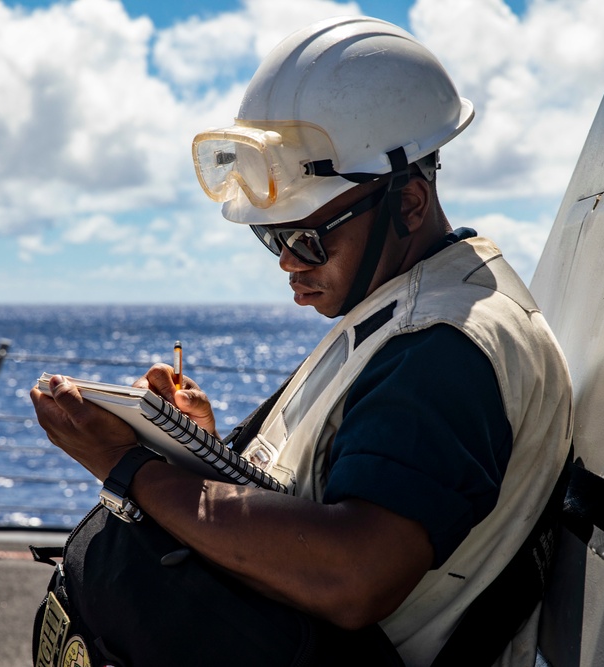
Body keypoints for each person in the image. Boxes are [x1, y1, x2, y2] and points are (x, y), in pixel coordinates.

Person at [31, 15, 572, 667]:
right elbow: (316, 507)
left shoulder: (445, 347)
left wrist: (131, 470)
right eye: (272, 238)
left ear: (409, 202)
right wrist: (198, 451)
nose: (288, 261)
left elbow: (353, 573)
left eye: (307, 238)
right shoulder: (406, 305)